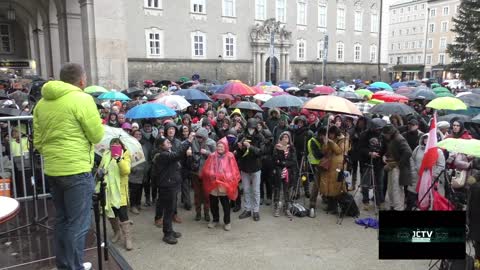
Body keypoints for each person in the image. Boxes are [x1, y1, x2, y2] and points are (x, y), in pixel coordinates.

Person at [33, 63, 104, 270]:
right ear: (81, 80)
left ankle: (65, 265)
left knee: (62, 220)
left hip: (53, 170)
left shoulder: (42, 103)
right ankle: (74, 267)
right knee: (78, 225)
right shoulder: (82, 99)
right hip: (76, 170)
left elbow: (38, 141)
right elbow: (97, 135)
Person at [151, 134, 194, 245]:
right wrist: (188, 141)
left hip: (172, 184)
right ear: (161, 146)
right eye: (166, 142)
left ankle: (170, 230)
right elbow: (178, 153)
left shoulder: (167, 153)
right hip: (167, 186)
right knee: (169, 210)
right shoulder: (162, 155)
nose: (169, 142)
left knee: (171, 209)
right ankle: (167, 234)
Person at [98, 138, 132, 250]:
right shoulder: (106, 154)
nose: (114, 146)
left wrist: (118, 159)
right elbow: (101, 168)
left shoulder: (125, 154)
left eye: (117, 144)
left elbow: (126, 171)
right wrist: (102, 172)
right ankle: (117, 232)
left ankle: (128, 238)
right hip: (108, 189)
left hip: (120, 190)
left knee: (122, 214)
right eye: (112, 144)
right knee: (111, 214)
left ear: (121, 145)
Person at [200, 137, 240, 231]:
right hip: (214, 184)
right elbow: (207, 169)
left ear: (225, 147)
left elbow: (234, 169)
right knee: (213, 203)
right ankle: (215, 220)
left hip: (224, 184)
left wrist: (227, 176)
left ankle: (227, 222)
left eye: (222, 147)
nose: (219, 148)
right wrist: (211, 174)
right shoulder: (212, 156)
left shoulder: (230, 156)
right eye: (218, 146)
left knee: (225, 204)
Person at [236, 118, 264, 221]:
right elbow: (239, 155)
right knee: (246, 190)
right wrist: (239, 148)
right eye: (249, 127)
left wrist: (250, 146)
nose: (251, 129)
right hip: (245, 167)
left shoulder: (260, 137)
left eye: (253, 127)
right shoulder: (242, 136)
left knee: (256, 190)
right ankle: (247, 209)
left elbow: (261, 152)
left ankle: (256, 210)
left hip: (256, 167)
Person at [407, 134, 445, 210]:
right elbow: (411, 159)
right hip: (417, 178)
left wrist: (433, 175)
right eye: (424, 138)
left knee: (430, 199)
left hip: (431, 181)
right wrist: (413, 170)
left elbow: (441, 165)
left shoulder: (438, 151)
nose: (425, 140)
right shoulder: (418, 148)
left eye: (428, 138)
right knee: (413, 197)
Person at [381, 124, 412, 211]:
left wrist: (398, 164)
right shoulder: (393, 139)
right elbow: (392, 149)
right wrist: (385, 155)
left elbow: (408, 152)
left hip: (398, 168)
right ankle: (392, 206)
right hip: (392, 166)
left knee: (397, 190)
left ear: (390, 133)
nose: (385, 136)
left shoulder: (399, 139)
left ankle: (398, 208)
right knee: (391, 189)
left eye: (385, 134)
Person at [319, 126, 349, 214]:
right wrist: (325, 143)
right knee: (328, 185)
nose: (330, 135)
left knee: (336, 186)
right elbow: (324, 151)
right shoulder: (329, 139)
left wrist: (331, 142)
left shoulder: (343, 139)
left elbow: (339, 151)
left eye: (331, 134)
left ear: (336, 133)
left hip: (337, 166)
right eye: (329, 134)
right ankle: (330, 205)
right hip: (328, 165)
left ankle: (335, 207)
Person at [189, 127, 216, 222]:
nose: (199, 139)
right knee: (197, 194)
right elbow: (186, 146)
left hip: (207, 172)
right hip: (195, 171)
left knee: (206, 194)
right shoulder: (193, 141)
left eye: (201, 137)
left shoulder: (211, 142)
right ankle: (198, 213)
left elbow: (217, 155)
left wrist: (207, 152)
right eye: (198, 137)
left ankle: (206, 213)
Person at [272, 131, 298, 217]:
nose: (284, 139)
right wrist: (279, 151)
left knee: (287, 190)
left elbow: (293, 161)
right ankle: (277, 208)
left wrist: (283, 163)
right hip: (279, 172)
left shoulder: (292, 148)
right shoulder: (277, 148)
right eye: (283, 137)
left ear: (289, 139)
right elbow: (275, 160)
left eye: (286, 137)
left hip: (288, 173)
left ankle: (286, 208)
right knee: (277, 190)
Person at [129, 130, 151, 215]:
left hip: (143, 171)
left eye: (140, 134)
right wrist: (133, 168)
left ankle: (138, 204)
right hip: (134, 171)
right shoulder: (130, 145)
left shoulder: (144, 145)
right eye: (136, 134)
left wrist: (147, 167)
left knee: (140, 189)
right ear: (133, 135)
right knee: (134, 190)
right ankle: (133, 206)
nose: (138, 135)